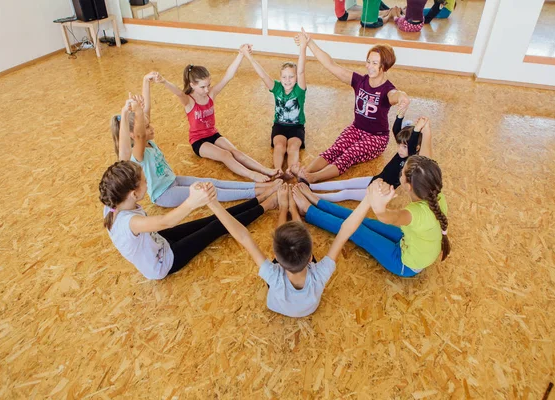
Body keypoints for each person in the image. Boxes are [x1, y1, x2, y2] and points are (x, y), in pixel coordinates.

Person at [112, 77, 281, 207]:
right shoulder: (138, 153)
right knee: (210, 192)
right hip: (164, 194)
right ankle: (261, 191)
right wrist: (133, 112)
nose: (152, 128)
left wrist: (145, 82)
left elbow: (146, 112)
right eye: (147, 127)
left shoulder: (146, 141)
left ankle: (257, 186)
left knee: (212, 182)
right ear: (134, 135)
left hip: (173, 180)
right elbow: (141, 132)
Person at [205, 183, 367, 317]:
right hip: (310, 309)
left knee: (289, 237)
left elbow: (243, 237)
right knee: (299, 238)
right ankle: (293, 210)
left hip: (277, 305)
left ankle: (284, 208)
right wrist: (369, 201)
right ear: (310, 258)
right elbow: (345, 230)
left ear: (276, 258)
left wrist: (213, 204)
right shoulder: (319, 275)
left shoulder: (274, 276)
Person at [99, 160, 278, 280]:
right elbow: (165, 222)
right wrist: (192, 201)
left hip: (158, 241)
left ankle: (258, 199)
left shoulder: (114, 200)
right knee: (216, 226)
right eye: (145, 181)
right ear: (134, 194)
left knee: (213, 219)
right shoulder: (130, 222)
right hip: (165, 263)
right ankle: (267, 205)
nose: (147, 182)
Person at [292, 155, 450, 277]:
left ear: (408, 186)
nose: (399, 171)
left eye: (402, 171)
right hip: (408, 241)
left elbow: (384, 216)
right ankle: (316, 201)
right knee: (362, 221)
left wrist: (377, 198)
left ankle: (309, 210)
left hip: (404, 262)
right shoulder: (436, 193)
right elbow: (427, 161)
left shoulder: (415, 213)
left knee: (357, 230)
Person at [290, 29, 410, 184]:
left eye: (375, 63)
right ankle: (305, 172)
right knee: (335, 149)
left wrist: (402, 96)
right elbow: (330, 64)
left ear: (384, 66)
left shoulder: (387, 89)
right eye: (368, 61)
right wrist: (309, 42)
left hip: (376, 138)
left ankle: (313, 178)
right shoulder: (359, 81)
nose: (369, 66)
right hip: (356, 129)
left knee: (349, 154)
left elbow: (395, 95)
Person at [156, 45, 281, 182]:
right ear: (192, 85)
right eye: (202, 87)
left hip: (213, 134)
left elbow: (228, 76)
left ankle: (265, 170)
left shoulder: (211, 94)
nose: (206, 89)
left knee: (236, 152)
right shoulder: (189, 101)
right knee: (225, 155)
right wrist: (163, 81)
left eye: (208, 85)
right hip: (199, 141)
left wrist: (240, 54)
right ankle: (253, 175)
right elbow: (179, 92)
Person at [309, 114, 432, 202]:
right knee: (345, 183)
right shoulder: (403, 152)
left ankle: (313, 196)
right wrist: (401, 113)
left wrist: (417, 129)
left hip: (381, 191)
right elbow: (396, 131)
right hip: (377, 179)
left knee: (346, 193)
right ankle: (311, 187)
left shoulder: (411, 158)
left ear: (416, 148)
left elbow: (410, 146)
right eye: (399, 145)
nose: (400, 149)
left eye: (404, 146)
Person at [241, 40, 307, 180]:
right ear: (280, 78)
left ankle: (291, 169)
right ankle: (277, 170)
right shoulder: (277, 88)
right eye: (284, 77)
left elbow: (301, 71)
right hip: (279, 126)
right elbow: (263, 75)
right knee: (279, 146)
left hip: (297, 127)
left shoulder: (299, 90)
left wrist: (303, 47)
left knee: (293, 147)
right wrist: (249, 56)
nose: (287, 80)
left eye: (291, 77)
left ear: (296, 78)